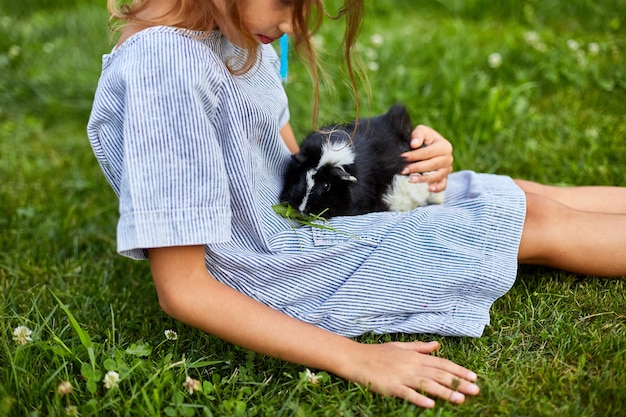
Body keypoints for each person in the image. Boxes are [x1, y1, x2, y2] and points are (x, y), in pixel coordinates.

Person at [87, 0, 626, 409]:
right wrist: (356, 357)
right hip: (287, 275)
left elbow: (284, 164)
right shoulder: (164, 69)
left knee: (513, 192)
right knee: (538, 220)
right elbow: (184, 289)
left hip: (304, 226)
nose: (295, 27)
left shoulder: (226, 33)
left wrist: (398, 156)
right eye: (289, 3)